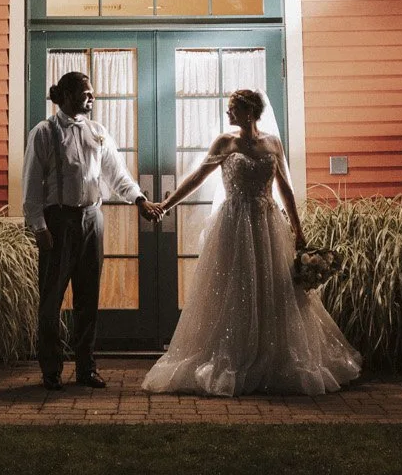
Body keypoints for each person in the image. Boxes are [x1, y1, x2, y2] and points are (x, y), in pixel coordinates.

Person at [142, 88, 362, 396]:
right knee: (235, 287)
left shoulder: (272, 143)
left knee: (273, 288)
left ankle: (271, 357)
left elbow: (284, 188)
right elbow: (197, 178)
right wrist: (166, 205)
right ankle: (234, 353)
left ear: (249, 112)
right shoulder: (225, 143)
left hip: (267, 222)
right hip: (233, 223)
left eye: (233, 108)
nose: (228, 113)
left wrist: (298, 231)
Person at [21, 69, 160, 389]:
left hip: (92, 220)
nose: (92, 98)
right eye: (86, 93)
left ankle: (86, 368)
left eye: (92, 93)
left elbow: (117, 174)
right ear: (67, 96)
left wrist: (140, 200)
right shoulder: (45, 133)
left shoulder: (98, 131)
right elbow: (30, 186)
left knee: (88, 298)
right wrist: (39, 226)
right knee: (51, 299)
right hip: (58, 222)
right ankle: (51, 370)